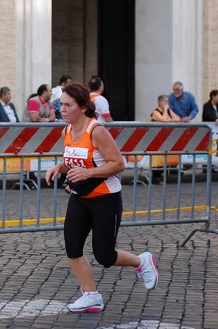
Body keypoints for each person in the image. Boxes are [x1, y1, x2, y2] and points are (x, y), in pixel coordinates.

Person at [44, 82, 158, 313]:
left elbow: (118, 164)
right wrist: (59, 167)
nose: (62, 109)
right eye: (61, 104)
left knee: (105, 256)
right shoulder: (66, 131)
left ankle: (143, 261)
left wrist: (88, 173)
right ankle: (91, 295)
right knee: (72, 247)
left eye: (68, 105)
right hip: (80, 197)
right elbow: (75, 161)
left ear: (84, 107)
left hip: (106, 198)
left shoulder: (96, 130)